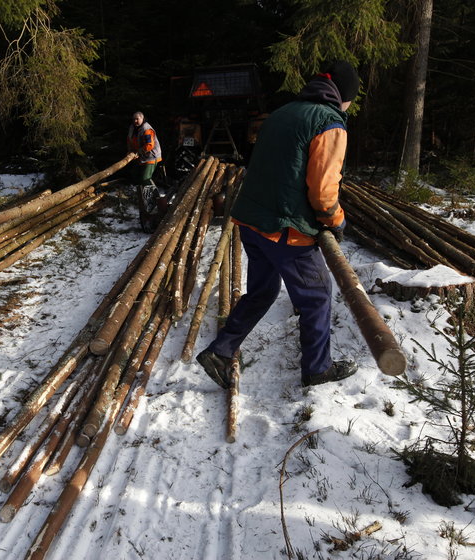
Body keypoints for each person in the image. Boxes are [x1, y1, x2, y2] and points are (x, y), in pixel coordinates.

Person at [196, 61, 360, 389]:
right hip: (286, 229)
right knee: (316, 296)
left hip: (252, 222)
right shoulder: (329, 123)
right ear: (342, 95)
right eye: (351, 100)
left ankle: (221, 351)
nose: (349, 107)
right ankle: (317, 369)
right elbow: (324, 190)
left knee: (262, 291)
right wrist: (335, 220)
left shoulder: (282, 112)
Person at [126, 111, 163, 231]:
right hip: (142, 157)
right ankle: (146, 199)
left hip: (151, 157)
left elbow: (149, 145)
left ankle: (156, 198)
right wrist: (130, 151)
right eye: (134, 119)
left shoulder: (147, 129)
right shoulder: (133, 128)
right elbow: (130, 140)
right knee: (138, 178)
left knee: (145, 178)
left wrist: (138, 152)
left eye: (137, 119)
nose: (135, 121)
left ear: (142, 119)